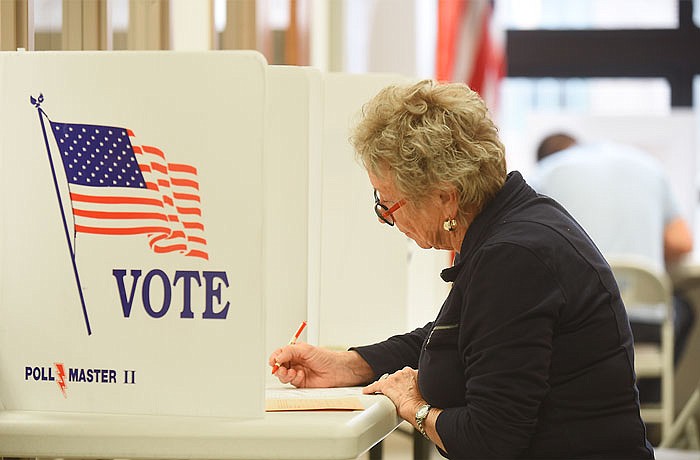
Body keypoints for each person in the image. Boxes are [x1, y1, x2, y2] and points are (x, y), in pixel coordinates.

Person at [269, 80, 653, 459]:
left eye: (388, 204)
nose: (387, 219)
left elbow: (489, 442)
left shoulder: (513, 256)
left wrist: (414, 406)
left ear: (445, 197)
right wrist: (348, 365)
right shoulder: (518, 225)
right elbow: (458, 339)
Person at [531, 133, 695, 367]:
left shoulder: (543, 174)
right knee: (684, 310)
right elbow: (681, 242)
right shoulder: (647, 164)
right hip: (646, 322)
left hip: (578, 322)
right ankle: (647, 397)